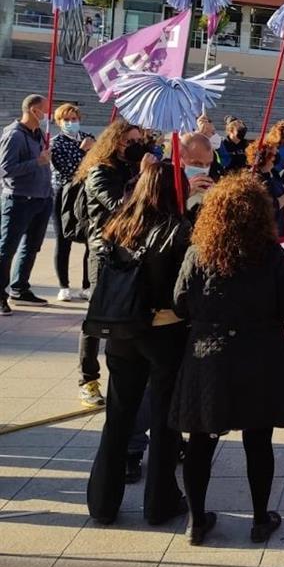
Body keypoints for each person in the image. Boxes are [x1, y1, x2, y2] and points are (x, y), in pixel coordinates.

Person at [170, 172, 284, 546]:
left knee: (201, 439)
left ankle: (197, 521)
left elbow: (180, 302)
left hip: (209, 355)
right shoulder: (271, 253)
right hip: (259, 356)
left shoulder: (199, 251)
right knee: (257, 440)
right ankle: (261, 519)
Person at [86, 162, 190, 526]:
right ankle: (160, 503)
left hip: (122, 330)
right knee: (164, 422)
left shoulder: (117, 224)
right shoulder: (179, 229)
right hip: (165, 331)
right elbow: (186, 290)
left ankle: (102, 503)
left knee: (118, 415)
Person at [76, 119, 156, 407]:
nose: (135, 146)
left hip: (131, 250)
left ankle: (126, 377)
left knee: (128, 313)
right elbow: (118, 207)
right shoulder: (100, 171)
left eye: (138, 141)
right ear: (115, 142)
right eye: (129, 142)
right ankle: (88, 378)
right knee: (97, 316)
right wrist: (142, 177)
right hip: (105, 252)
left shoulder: (131, 168)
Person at [0, 94, 54, 315]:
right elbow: (5, 169)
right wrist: (36, 162)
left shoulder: (39, 134)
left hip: (41, 198)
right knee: (7, 248)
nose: (47, 114)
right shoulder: (14, 135)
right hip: (20, 199)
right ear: (34, 110)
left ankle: (19, 287)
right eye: (45, 109)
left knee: (31, 246)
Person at [49, 103, 95, 301]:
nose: (70, 123)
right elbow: (69, 170)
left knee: (89, 240)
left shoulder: (88, 138)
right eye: (66, 120)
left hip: (86, 194)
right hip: (64, 193)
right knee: (63, 239)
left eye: (73, 119)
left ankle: (86, 285)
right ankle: (63, 285)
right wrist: (82, 151)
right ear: (59, 122)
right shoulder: (56, 143)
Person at [246, 141, 284, 239]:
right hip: (263, 233)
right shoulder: (255, 178)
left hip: (277, 228)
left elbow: (278, 197)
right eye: (273, 154)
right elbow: (270, 205)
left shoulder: (274, 174)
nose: (276, 156)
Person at [177, 132, 219, 219]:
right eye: (197, 164)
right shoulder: (163, 180)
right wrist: (184, 195)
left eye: (208, 164)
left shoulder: (214, 178)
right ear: (181, 159)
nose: (204, 169)